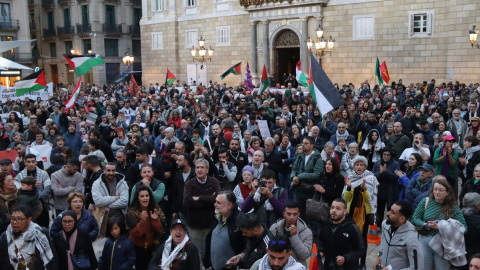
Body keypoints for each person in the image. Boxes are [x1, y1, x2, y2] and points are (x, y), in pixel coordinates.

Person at [412, 178, 467, 270]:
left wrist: (443, 227)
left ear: (448, 192)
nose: (437, 192)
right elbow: (415, 218)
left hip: (443, 243)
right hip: (424, 239)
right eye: (435, 189)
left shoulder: (453, 207)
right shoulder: (425, 201)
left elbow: (463, 227)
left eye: (440, 190)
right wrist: (425, 224)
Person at [0, 205, 57, 270]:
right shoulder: (5, 237)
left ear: (29, 219)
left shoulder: (40, 234)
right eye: (12, 218)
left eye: (19, 219)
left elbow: (52, 260)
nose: (14, 222)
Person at [375, 200, 424, 270]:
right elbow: (383, 241)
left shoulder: (411, 239)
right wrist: (380, 255)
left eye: (392, 212)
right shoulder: (385, 224)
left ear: (402, 219)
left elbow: (416, 268)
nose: (388, 213)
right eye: (389, 210)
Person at [318, 198, 364, 270]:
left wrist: (345, 258)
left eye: (338, 209)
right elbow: (320, 240)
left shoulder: (352, 228)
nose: (333, 210)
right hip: (328, 266)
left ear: (345, 211)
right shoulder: (326, 224)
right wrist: (320, 251)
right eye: (332, 207)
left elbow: (360, 249)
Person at [126, 185, 165, 270]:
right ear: (137, 198)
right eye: (142, 196)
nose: (145, 198)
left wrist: (155, 220)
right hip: (137, 248)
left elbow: (161, 229)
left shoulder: (155, 208)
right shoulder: (132, 212)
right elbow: (135, 233)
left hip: (154, 247)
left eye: (147, 196)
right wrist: (142, 222)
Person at [204, 192, 245, 270]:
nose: (215, 204)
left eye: (218, 202)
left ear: (229, 205)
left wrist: (239, 258)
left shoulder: (240, 221)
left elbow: (248, 246)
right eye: (215, 201)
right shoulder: (217, 217)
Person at [269, 201, 313, 267]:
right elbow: (268, 250)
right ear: (284, 214)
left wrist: (294, 236)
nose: (292, 217)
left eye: (295, 214)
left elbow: (304, 255)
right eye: (289, 214)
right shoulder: (275, 228)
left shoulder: (307, 232)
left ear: (298, 215)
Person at [290, 136, 323, 217]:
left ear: (312, 145)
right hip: (299, 189)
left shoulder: (317, 157)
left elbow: (317, 174)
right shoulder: (300, 156)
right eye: (302, 143)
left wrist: (300, 176)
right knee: (299, 214)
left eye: (306, 143)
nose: (303, 145)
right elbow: (294, 169)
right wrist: (293, 177)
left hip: (310, 191)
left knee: (310, 216)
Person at [372, 147, 401, 227]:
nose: (386, 156)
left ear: (391, 156)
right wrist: (380, 173)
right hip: (380, 190)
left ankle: (392, 225)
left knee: (391, 210)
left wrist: (386, 171)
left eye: (388, 155)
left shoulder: (395, 164)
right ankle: (378, 226)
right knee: (379, 210)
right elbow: (372, 176)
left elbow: (396, 178)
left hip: (391, 191)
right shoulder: (377, 163)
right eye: (384, 154)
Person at [462, 193, 480, 267]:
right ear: (477, 205)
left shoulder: (457, 217)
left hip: (460, 256)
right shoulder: (477, 221)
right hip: (475, 257)